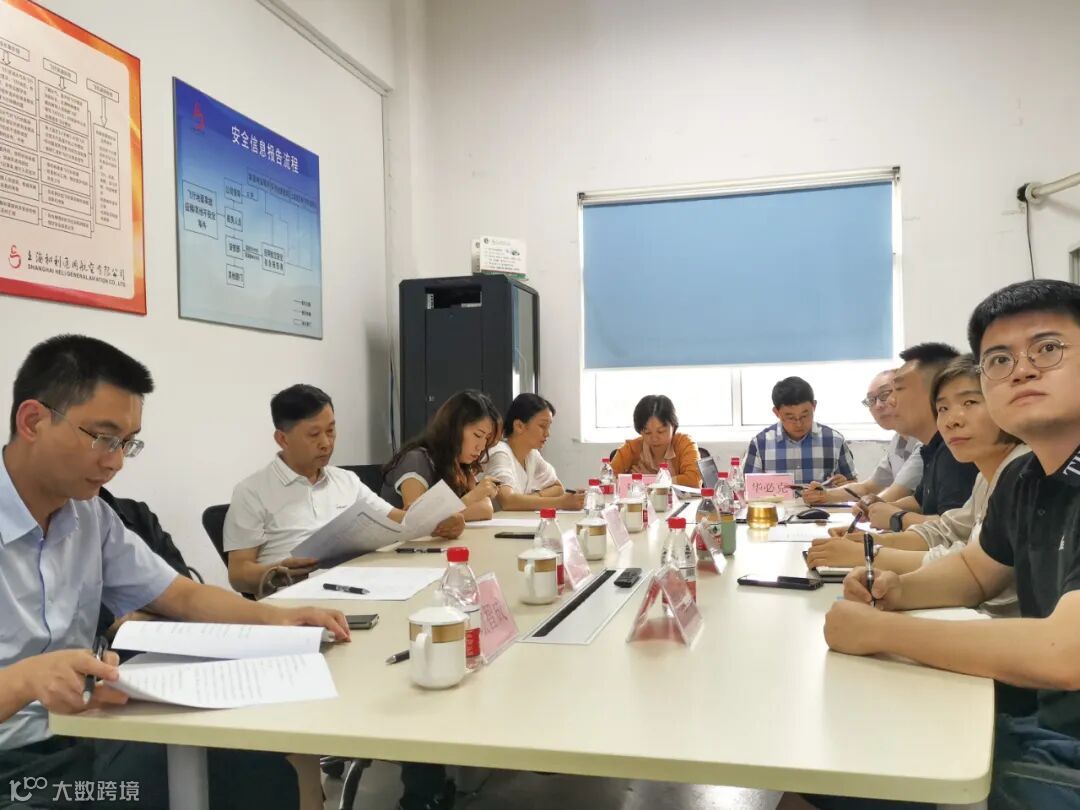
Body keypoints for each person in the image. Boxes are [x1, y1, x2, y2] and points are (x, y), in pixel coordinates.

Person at [0, 335, 348, 810]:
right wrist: (24, 681)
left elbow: (179, 595)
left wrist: (281, 618)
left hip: (85, 735)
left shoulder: (90, 516)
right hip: (15, 769)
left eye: (127, 444)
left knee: (253, 770)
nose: (115, 462)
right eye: (103, 438)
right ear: (33, 421)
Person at [821, 279, 1080, 809]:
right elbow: (977, 571)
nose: (1022, 370)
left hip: (1066, 749)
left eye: (1048, 348)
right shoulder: (1026, 476)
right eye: (1000, 360)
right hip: (1046, 721)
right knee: (838, 755)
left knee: (851, 773)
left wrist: (880, 630)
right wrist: (896, 590)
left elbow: (1066, 652)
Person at [807, 355, 1026, 616]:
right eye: (943, 408)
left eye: (969, 402)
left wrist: (870, 553)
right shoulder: (984, 472)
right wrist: (871, 542)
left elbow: (973, 569)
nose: (952, 419)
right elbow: (949, 530)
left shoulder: (1023, 472)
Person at [224, 384, 464, 596]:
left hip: (357, 587)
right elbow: (238, 574)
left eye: (331, 430)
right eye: (314, 435)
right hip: (294, 599)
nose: (326, 443)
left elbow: (400, 520)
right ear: (282, 439)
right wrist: (276, 571)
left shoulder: (346, 480)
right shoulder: (252, 492)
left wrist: (441, 521)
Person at [858, 344, 978, 531]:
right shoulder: (933, 449)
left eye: (898, 389)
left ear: (935, 392)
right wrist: (879, 507)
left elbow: (956, 530)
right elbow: (919, 501)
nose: (890, 401)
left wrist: (896, 517)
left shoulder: (956, 451)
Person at [803, 370, 923, 505]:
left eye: (885, 394)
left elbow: (896, 493)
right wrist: (824, 494)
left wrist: (865, 507)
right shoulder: (897, 441)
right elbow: (867, 487)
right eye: (871, 400)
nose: (878, 405)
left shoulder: (924, 441)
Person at [381, 389, 501, 521]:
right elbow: (415, 519)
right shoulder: (416, 460)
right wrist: (471, 498)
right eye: (477, 435)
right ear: (454, 428)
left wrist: (445, 515)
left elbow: (485, 509)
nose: (482, 446)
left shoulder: (460, 465)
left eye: (486, 438)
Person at [744, 377, 856, 486]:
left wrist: (844, 484)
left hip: (822, 500)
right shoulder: (760, 444)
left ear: (814, 406)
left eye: (804, 416)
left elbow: (854, 485)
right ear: (776, 412)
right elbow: (747, 489)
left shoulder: (834, 441)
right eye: (791, 417)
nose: (798, 424)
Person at [482, 394, 585, 511]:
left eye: (549, 427)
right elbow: (508, 501)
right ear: (519, 426)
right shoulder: (499, 452)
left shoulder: (532, 455)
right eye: (542, 426)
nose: (547, 434)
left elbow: (558, 488)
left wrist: (531, 498)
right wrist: (561, 503)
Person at [609, 395, 702, 487]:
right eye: (648, 432)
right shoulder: (631, 448)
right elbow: (608, 479)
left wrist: (651, 480)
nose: (654, 438)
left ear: (673, 426)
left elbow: (694, 480)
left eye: (661, 431)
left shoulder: (685, 443)